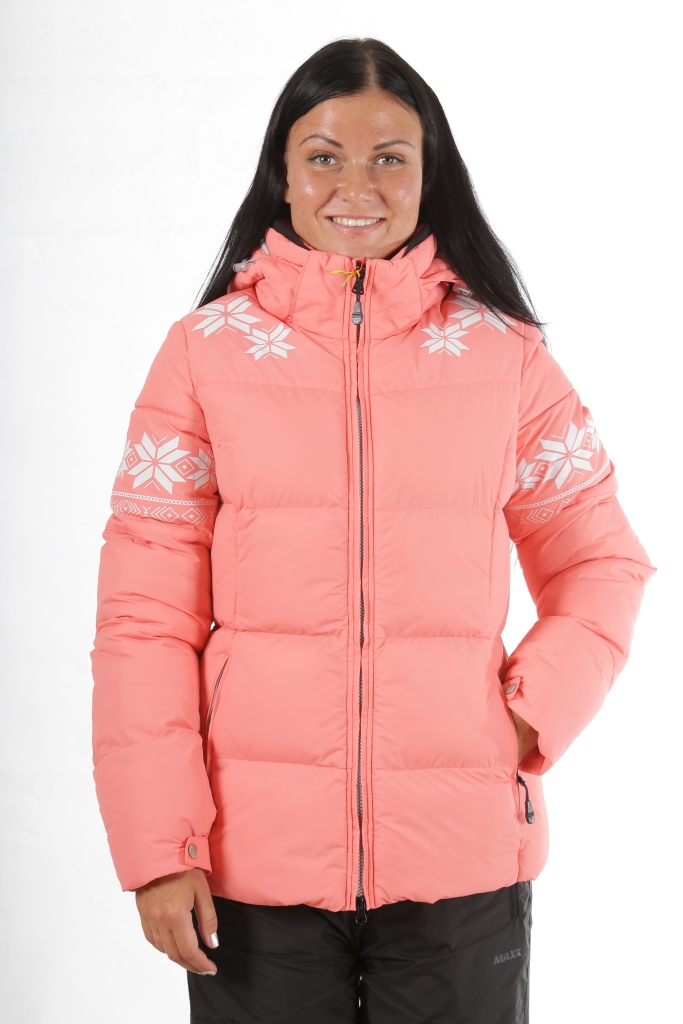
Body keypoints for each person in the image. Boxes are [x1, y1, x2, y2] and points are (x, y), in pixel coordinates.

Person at [90, 36, 656, 1024]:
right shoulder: (203, 356)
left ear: (429, 175)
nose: (356, 185)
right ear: (282, 173)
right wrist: (158, 847)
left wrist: (524, 719)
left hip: (459, 867)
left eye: (389, 157)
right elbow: (144, 619)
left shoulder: (505, 358)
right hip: (249, 867)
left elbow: (600, 561)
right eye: (323, 156)